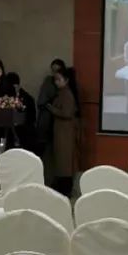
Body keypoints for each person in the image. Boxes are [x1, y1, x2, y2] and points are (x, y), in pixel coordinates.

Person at [45, 66, 79, 197]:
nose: (56, 82)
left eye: (59, 79)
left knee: (64, 162)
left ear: (66, 80)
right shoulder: (61, 93)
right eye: (55, 80)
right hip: (61, 131)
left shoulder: (67, 94)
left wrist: (51, 108)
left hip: (65, 133)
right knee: (61, 161)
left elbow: (67, 113)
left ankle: (65, 189)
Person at [37, 58, 66, 146]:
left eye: (57, 70)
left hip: (60, 121)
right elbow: (41, 100)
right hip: (47, 117)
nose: (55, 73)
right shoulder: (48, 81)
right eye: (53, 70)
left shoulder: (67, 87)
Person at [6, 71, 37, 150]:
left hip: (24, 134)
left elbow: (31, 118)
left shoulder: (27, 98)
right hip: (11, 134)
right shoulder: (6, 97)